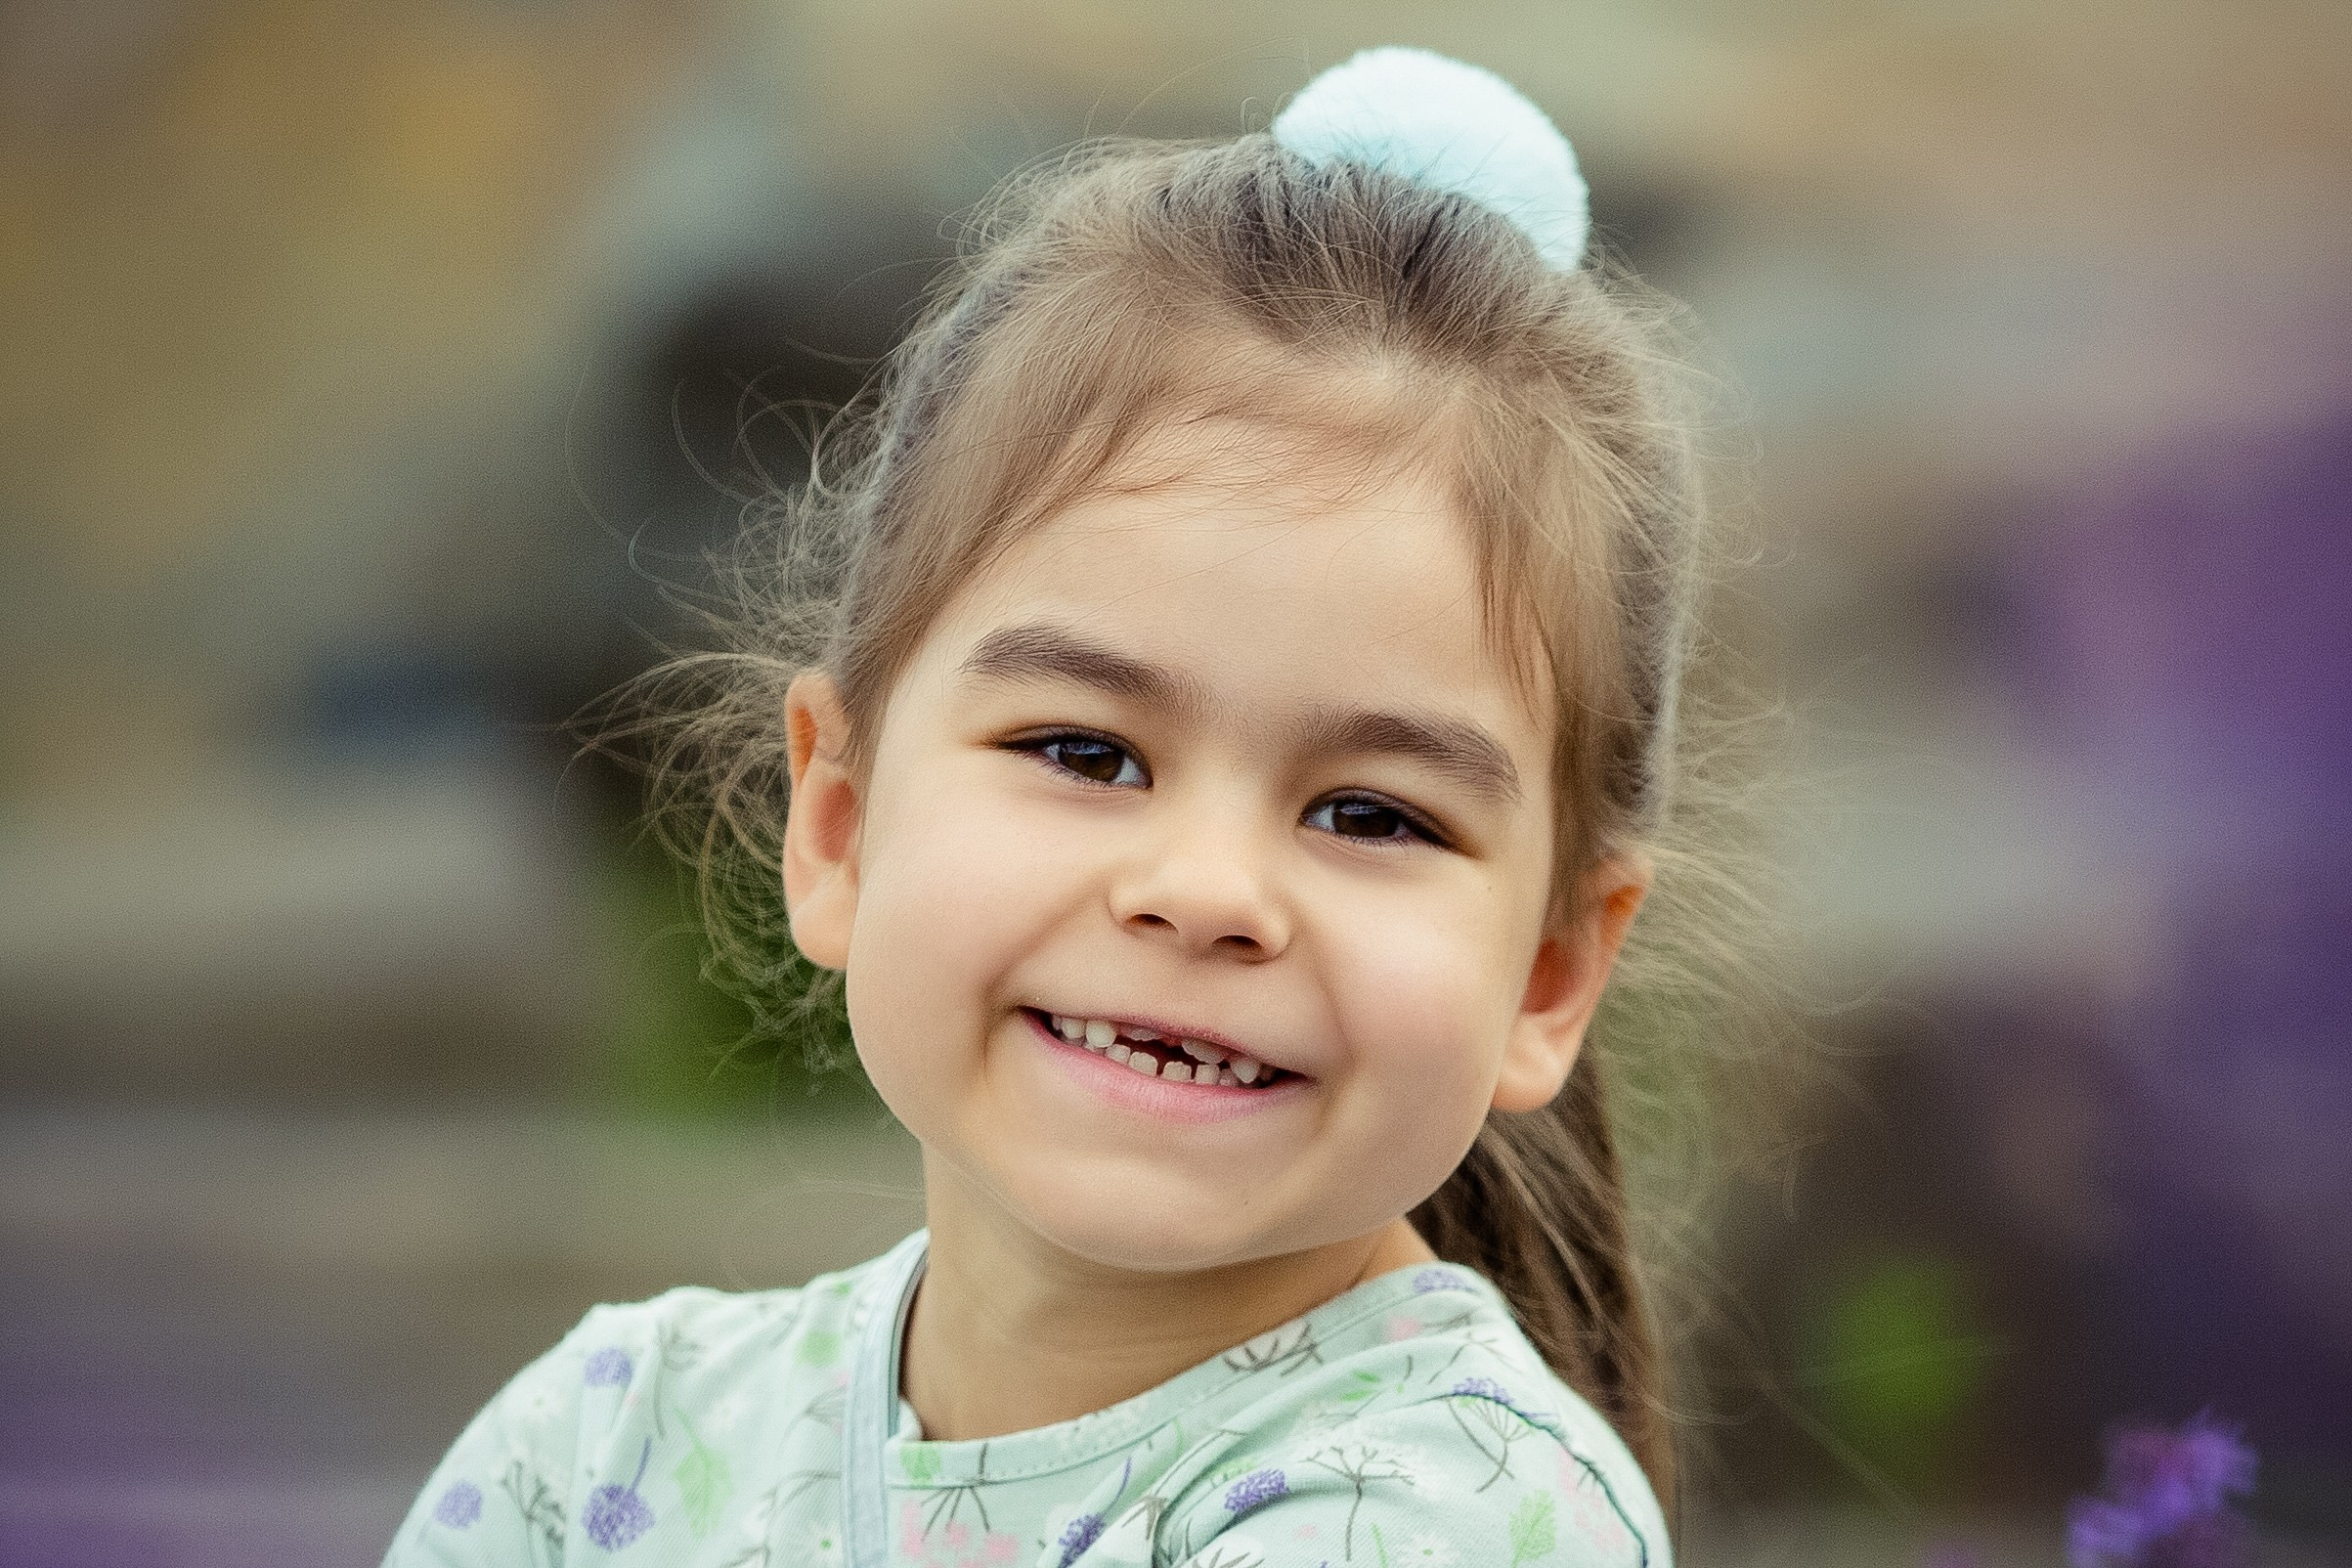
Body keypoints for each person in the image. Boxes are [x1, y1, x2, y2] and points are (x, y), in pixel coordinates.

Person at [387, 45, 1750, 1568]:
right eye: (1086, 754)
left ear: (1552, 973)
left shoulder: (1439, 1518)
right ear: (836, 824)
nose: (1207, 888)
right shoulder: (606, 1441)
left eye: (1371, 815)